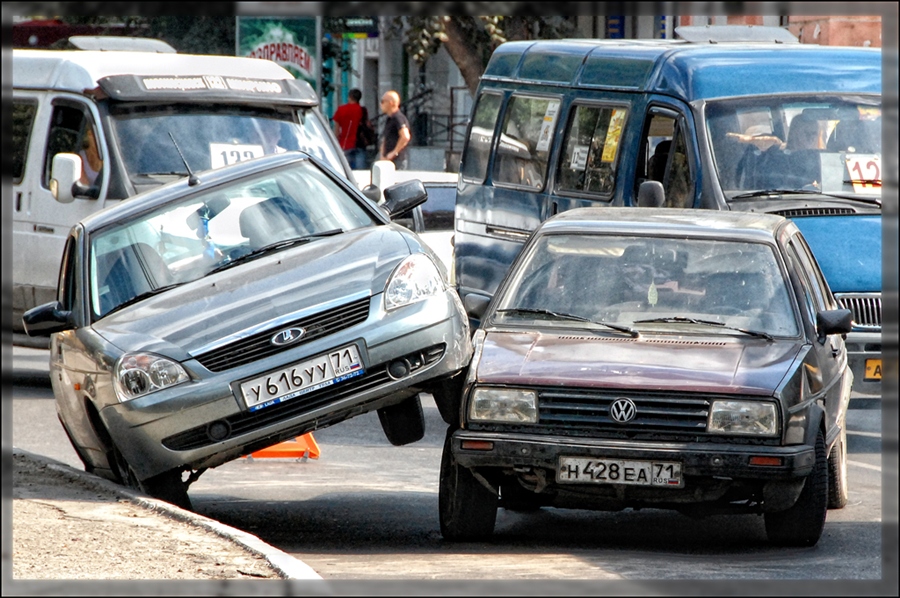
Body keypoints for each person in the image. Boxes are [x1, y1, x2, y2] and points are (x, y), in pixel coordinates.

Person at [331, 88, 367, 169]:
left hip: (345, 144)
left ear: (350, 97)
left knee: (346, 171)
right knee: (361, 173)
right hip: (360, 143)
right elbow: (366, 125)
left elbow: (336, 130)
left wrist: (335, 142)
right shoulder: (362, 110)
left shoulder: (341, 109)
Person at [379, 90, 411, 170]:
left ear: (391, 103)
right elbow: (385, 138)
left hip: (397, 161)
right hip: (387, 160)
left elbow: (405, 136)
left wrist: (394, 152)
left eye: (383, 101)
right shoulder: (389, 119)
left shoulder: (398, 118)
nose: (381, 104)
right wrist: (382, 154)